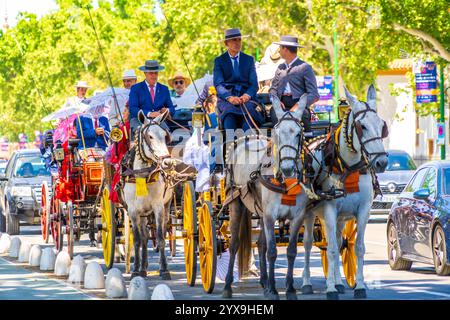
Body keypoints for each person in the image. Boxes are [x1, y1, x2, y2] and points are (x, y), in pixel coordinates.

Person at [213, 28, 264, 132]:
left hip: (247, 100)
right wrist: (230, 97)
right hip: (227, 101)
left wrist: (246, 96)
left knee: (247, 126)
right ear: (226, 43)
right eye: (234, 40)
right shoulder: (219, 61)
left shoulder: (249, 60)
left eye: (239, 40)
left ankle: (248, 146)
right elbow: (218, 85)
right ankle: (230, 146)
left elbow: (254, 84)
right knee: (229, 123)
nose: (237, 43)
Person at [269, 35, 320, 134]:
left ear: (286, 49)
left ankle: (305, 144)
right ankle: (278, 145)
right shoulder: (280, 67)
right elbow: (273, 89)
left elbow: (314, 94)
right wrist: (276, 101)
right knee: (275, 115)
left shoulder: (305, 68)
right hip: (281, 105)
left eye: (280, 48)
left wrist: (299, 105)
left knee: (303, 117)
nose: (279, 51)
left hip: (299, 105)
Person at [128, 60, 175, 137]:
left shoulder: (164, 89)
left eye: (156, 73)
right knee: (141, 136)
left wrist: (167, 110)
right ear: (145, 73)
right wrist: (150, 114)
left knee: (167, 135)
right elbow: (132, 108)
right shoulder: (136, 88)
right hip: (139, 121)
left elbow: (172, 109)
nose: (154, 76)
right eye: (151, 73)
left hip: (158, 121)